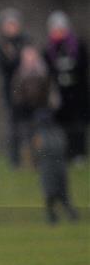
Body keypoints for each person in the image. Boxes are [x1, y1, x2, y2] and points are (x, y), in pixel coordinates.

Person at [44, 11, 89, 163]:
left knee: (78, 123)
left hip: (77, 91)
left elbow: (83, 66)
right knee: (62, 124)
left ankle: (79, 153)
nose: (58, 32)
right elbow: (48, 70)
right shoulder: (49, 48)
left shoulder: (77, 45)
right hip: (60, 92)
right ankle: (66, 153)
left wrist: (71, 67)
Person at [0, 8, 30, 168]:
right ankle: (15, 161)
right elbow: (2, 66)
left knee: (31, 125)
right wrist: (16, 60)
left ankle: (32, 159)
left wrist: (16, 59)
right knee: (13, 128)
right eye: (8, 24)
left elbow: (31, 63)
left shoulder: (26, 42)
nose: (11, 28)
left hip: (30, 90)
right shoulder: (0, 45)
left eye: (13, 24)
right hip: (11, 91)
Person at [32, 110, 78, 224]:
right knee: (57, 192)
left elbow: (39, 150)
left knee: (54, 193)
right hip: (55, 166)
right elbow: (62, 146)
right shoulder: (56, 132)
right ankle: (64, 215)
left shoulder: (44, 133)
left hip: (51, 166)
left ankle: (56, 216)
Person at [11, 45, 52, 166]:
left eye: (32, 57)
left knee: (41, 136)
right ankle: (30, 162)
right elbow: (16, 93)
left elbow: (48, 90)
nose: (30, 60)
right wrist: (22, 104)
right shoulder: (19, 73)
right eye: (27, 57)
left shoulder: (43, 71)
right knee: (26, 136)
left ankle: (43, 159)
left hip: (41, 108)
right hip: (24, 110)